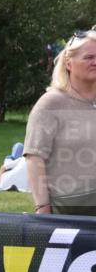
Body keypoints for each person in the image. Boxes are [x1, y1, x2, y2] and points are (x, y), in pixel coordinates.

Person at [25, 29, 96, 216]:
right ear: (68, 63)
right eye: (89, 57)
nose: (95, 62)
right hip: (71, 209)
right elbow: (34, 157)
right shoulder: (51, 103)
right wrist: (42, 207)